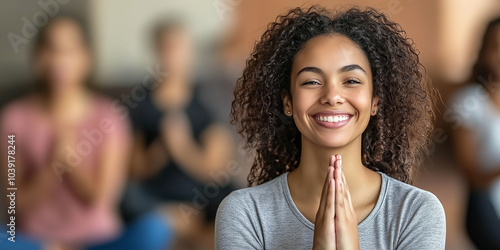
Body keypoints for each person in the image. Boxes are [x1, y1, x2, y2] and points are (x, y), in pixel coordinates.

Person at [215, 6, 446, 250]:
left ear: (375, 100)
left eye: (351, 81)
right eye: (312, 81)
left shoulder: (416, 212)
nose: (332, 96)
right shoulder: (245, 214)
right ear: (288, 102)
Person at [0, 16, 132, 249]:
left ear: (86, 58)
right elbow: (13, 203)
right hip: (36, 242)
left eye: (69, 50)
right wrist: (53, 166)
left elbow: (100, 200)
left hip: (97, 240)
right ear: (38, 58)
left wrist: (70, 160)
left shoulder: (110, 118)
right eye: (51, 49)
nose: (59, 60)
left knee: (155, 228)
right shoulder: (13, 119)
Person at [120, 19, 235, 249]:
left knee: (233, 196)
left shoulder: (206, 103)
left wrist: (182, 147)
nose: (174, 55)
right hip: (154, 196)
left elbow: (216, 169)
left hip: (199, 196)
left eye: (180, 47)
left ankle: (186, 228)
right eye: (167, 47)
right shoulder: (139, 104)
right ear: (156, 52)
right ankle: (176, 223)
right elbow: (131, 170)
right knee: (125, 196)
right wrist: (159, 151)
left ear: (190, 52)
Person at [449, 17, 500, 250]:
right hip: (486, 207)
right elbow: (471, 174)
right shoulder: (468, 102)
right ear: (484, 51)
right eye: (497, 47)